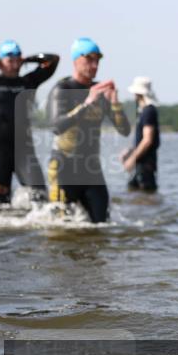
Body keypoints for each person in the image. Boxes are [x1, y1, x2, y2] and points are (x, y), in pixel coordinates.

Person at [47, 38, 130, 223]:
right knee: (61, 228)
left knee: (102, 225)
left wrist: (115, 102)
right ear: (76, 60)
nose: (94, 65)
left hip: (91, 169)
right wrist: (87, 104)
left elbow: (124, 130)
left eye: (97, 60)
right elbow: (56, 126)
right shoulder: (63, 88)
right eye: (89, 59)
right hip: (64, 167)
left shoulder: (100, 91)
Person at [0, 41, 59, 204]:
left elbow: (53, 60)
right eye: (10, 60)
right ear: (2, 61)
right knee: (0, 204)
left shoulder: (28, 82)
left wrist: (27, 59)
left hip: (25, 151)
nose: (14, 64)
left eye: (17, 60)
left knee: (40, 197)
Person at [121, 77, 160, 192]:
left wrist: (132, 159)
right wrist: (130, 150)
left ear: (138, 93)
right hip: (141, 164)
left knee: (146, 193)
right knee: (134, 192)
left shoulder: (149, 111)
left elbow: (147, 140)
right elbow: (143, 139)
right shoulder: (144, 111)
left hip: (145, 165)